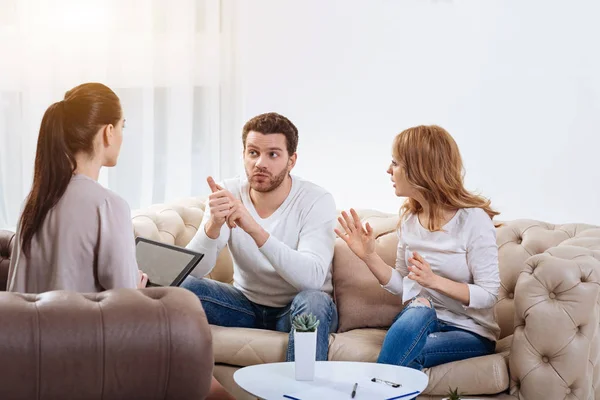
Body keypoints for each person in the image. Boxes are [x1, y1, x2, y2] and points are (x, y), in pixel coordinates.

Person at [7, 82, 233, 400]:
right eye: (122, 127)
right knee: (206, 382)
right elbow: (127, 308)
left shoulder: (34, 202)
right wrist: (138, 288)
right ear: (108, 132)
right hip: (85, 355)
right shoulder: (107, 204)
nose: (123, 137)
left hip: (26, 360)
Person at [336, 125, 500, 370]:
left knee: (407, 347)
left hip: (468, 331)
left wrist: (434, 281)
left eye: (396, 163)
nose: (389, 170)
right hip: (419, 321)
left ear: (421, 169)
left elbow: (489, 295)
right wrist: (369, 256)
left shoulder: (473, 220)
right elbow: (404, 284)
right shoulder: (410, 220)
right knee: (419, 307)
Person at [182, 112, 338, 361]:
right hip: (244, 306)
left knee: (314, 302)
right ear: (244, 154)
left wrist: (253, 228)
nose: (260, 163)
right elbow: (192, 272)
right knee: (180, 286)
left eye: (273, 154)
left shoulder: (316, 200)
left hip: (295, 309)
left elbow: (312, 280)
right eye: (253, 153)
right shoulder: (229, 191)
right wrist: (212, 225)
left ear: (292, 160)